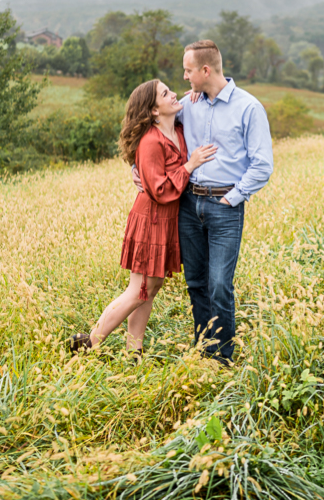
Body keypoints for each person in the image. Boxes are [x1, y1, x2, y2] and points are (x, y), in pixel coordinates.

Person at [134, 40, 274, 363]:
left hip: (225, 207)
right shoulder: (189, 104)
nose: (184, 77)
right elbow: (151, 132)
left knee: (220, 285)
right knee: (196, 282)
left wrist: (233, 197)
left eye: (188, 71)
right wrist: (134, 167)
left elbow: (262, 165)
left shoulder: (248, 108)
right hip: (188, 205)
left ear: (205, 70)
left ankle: (223, 358)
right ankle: (203, 348)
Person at [70, 79, 217, 355]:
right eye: (165, 93)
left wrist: (199, 90)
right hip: (151, 218)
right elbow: (159, 189)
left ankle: (132, 352)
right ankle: (90, 341)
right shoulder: (151, 140)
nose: (173, 94)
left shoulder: (177, 129)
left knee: (149, 288)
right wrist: (190, 164)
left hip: (166, 221)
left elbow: (196, 99)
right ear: (153, 110)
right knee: (139, 289)